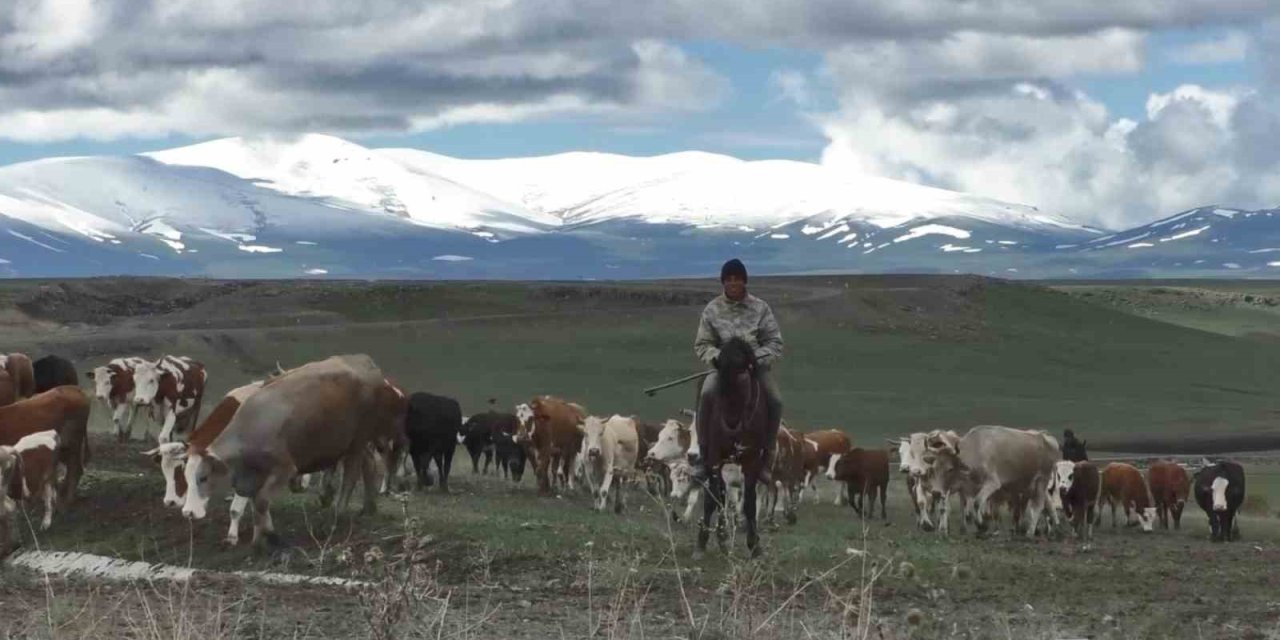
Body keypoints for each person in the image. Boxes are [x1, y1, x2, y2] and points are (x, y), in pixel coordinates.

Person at [692, 258, 784, 482]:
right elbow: (702, 344)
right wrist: (719, 359)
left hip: (752, 368)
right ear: (723, 282)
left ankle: (766, 457)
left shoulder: (760, 308)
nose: (733, 283)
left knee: (775, 400)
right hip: (723, 368)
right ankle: (704, 456)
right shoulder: (712, 309)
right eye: (729, 279)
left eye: (738, 279)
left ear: (745, 281)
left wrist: (754, 359)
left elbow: (775, 342)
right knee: (705, 394)